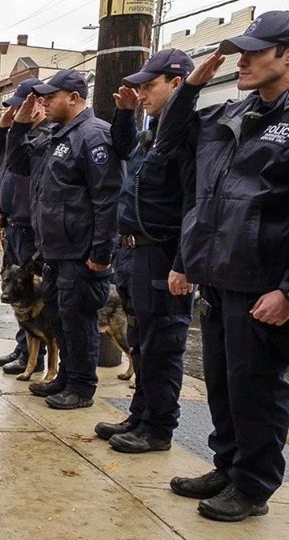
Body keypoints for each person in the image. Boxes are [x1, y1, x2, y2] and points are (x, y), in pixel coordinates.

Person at [156, 11, 289, 522]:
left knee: (256, 388)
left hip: (266, 282)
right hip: (221, 274)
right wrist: (190, 86)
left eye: (255, 51)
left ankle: (253, 485)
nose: (241, 60)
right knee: (223, 383)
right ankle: (227, 465)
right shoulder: (233, 113)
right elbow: (168, 144)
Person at [92, 49, 196, 454]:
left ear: (178, 84)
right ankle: (139, 416)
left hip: (161, 253)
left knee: (162, 345)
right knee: (140, 341)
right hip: (133, 253)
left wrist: (184, 262)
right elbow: (122, 153)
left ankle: (157, 428)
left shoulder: (187, 133)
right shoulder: (151, 130)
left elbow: (193, 201)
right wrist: (125, 114)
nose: (142, 93)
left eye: (150, 85)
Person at [5, 69, 123, 410]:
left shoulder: (94, 136)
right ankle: (67, 378)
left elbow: (107, 199)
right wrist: (20, 126)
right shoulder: (58, 134)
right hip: (55, 252)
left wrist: (101, 253)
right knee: (59, 318)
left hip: (81, 253)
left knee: (79, 320)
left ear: (73, 97)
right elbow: (18, 164)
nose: (43, 101)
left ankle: (82, 387)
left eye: (50, 96)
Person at [0, 78, 47, 376]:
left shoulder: (44, 136)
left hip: (30, 226)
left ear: (39, 103)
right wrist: (4, 124)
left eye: (21, 105)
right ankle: (22, 344)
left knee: (29, 293)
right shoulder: (18, 135)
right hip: (13, 224)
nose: (16, 111)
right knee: (15, 290)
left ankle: (33, 353)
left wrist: (21, 128)